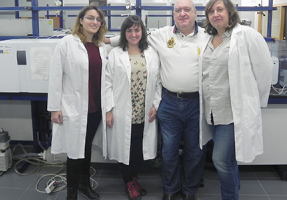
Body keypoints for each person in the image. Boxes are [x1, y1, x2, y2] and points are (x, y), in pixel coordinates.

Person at [108, 1, 208, 199]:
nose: (182, 14)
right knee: (169, 151)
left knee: (195, 151)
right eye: (178, 10)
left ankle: (189, 191)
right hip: (169, 102)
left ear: (196, 13)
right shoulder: (162, 35)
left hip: (197, 103)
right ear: (173, 14)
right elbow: (131, 36)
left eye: (187, 9)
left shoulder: (207, 37)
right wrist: (102, 40)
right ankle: (170, 190)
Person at [199, 0, 272, 199]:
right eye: (211, 11)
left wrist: (255, 102)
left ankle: (230, 197)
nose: (215, 14)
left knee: (221, 160)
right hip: (211, 111)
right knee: (228, 160)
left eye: (220, 9)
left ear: (230, 12)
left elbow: (264, 70)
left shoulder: (246, 36)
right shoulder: (207, 38)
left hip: (233, 111)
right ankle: (234, 192)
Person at [47, 6, 108, 200]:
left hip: (96, 108)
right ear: (80, 20)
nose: (94, 22)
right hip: (73, 108)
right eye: (90, 18)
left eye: (98, 19)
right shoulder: (67, 43)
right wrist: (54, 108)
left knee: (86, 147)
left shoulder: (101, 45)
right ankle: (71, 193)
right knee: (74, 152)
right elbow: (55, 76)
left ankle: (84, 185)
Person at [105, 15, 161, 200]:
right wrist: (108, 109)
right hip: (122, 110)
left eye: (137, 30)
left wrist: (155, 104)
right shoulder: (115, 54)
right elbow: (107, 84)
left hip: (143, 111)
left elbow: (158, 81)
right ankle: (128, 183)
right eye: (129, 30)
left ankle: (134, 179)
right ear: (124, 33)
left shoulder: (152, 53)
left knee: (137, 148)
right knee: (124, 148)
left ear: (142, 32)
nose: (133, 34)